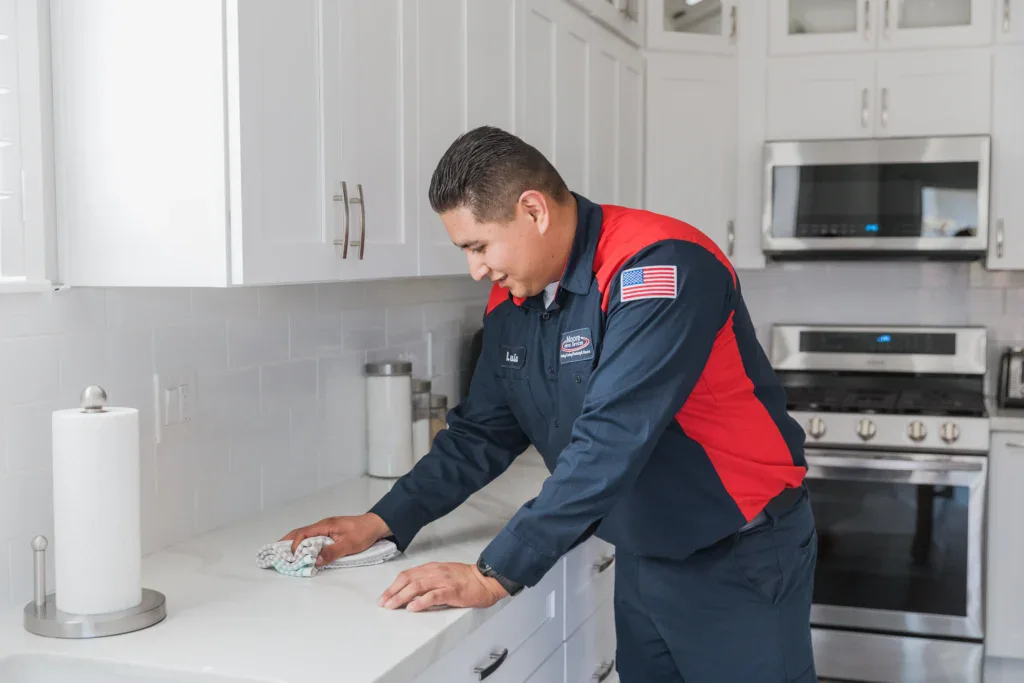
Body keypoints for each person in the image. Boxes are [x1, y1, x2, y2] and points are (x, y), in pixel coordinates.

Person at [281, 126, 817, 682]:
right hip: (644, 549)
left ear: (533, 210)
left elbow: (611, 440)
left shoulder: (661, 267)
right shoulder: (515, 293)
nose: (475, 268)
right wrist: (383, 520)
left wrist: (495, 574)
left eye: (478, 245)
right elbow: (481, 433)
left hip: (740, 553)